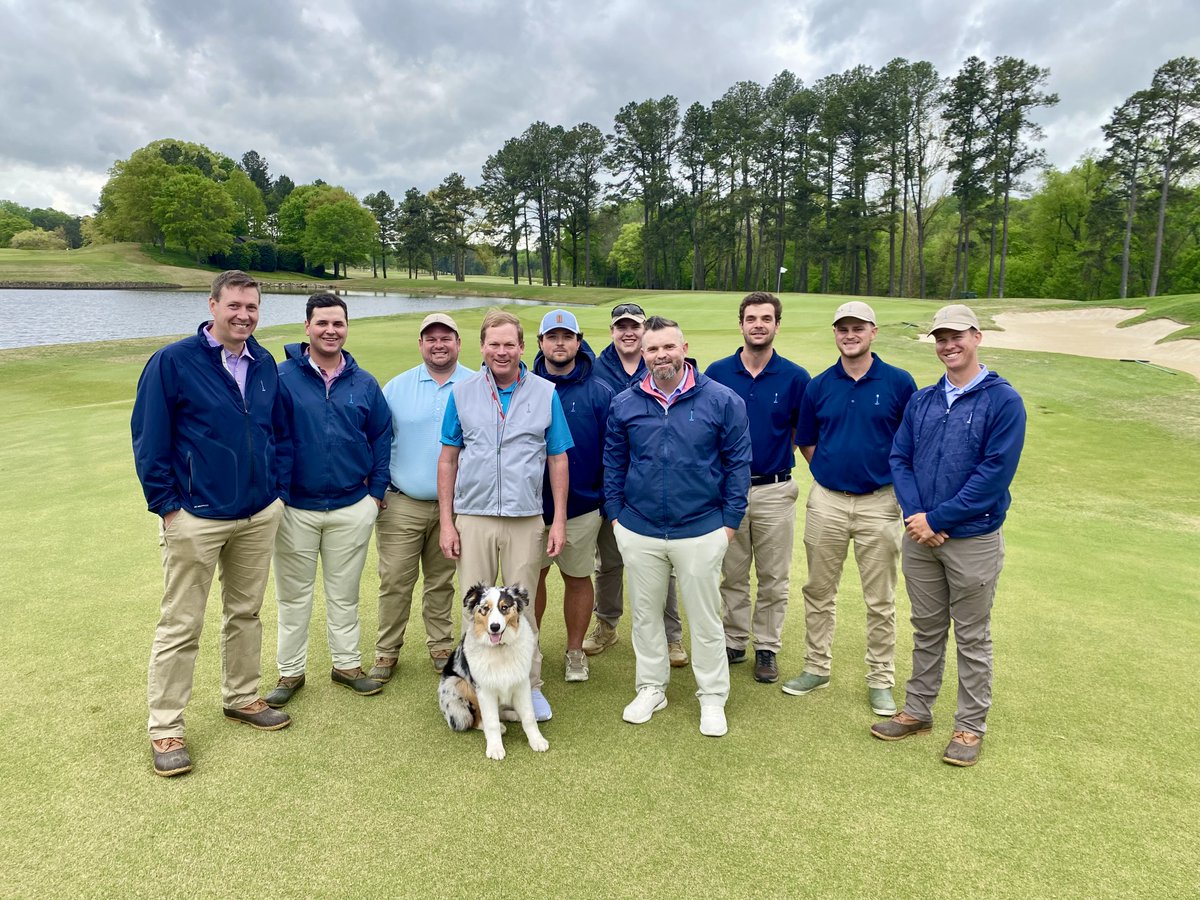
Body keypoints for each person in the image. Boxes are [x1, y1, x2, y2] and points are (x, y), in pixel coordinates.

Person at [132, 270, 291, 778]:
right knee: (182, 624)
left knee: (245, 612)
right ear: (213, 305)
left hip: (256, 512)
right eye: (235, 306)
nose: (244, 315)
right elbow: (149, 439)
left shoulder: (265, 363)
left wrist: (277, 492)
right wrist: (168, 506)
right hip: (195, 518)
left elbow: (279, 433)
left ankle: (242, 697)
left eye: (252, 307)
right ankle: (166, 726)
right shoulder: (173, 362)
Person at [872, 304, 1026, 768]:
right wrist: (918, 514)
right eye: (940, 337)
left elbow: (993, 475)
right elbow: (900, 459)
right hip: (921, 536)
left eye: (957, 335)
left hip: (972, 538)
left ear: (977, 336)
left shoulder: (1003, 401)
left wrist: (937, 518)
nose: (948, 345)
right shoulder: (923, 400)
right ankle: (918, 710)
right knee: (926, 628)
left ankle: (970, 725)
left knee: (973, 636)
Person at [605, 316, 752, 737]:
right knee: (646, 617)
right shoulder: (625, 403)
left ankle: (712, 696)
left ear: (684, 347)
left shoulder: (722, 400)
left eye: (667, 347)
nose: (660, 356)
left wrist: (728, 524)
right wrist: (617, 517)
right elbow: (613, 463)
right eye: (652, 350)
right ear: (643, 354)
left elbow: (738, 465)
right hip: (640, 528)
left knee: (706, 620)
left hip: (701, 528)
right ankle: (652, 687)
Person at [779, 301, 917, 715]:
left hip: (880, 501)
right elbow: (806, 438)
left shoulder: (898, 382)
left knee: (881, 598)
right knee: (819, 590)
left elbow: (910, 443)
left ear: (873, 332)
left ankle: (880, 678)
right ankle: (816, 667)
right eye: (843, 329)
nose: (850, 335)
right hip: (828, 502)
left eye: (858, 328)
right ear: (835, 334)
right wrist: (827, 468)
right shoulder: (819, 384)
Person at [437, 309, 573, 722]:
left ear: (522, 347)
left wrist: (560, 519)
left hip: (525, 516)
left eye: (509, 344)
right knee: (474, 608)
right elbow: (448, 460)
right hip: (473, 515)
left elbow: (558, 460)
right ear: (481, 347)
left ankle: (528, 688)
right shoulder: (462, 392)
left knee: (521, 611)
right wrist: (447, 520)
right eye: (493, 344)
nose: (501, 352)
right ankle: (482, 685)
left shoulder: (545, 392)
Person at [264, 293, 392, 708]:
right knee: (293, 595)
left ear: (346, 327)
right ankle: (290, 672)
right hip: (295, 507)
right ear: (307, 327)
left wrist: (374, 495)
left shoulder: (365, 382)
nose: (330, 330)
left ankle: (347, 665)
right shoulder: (281, 377)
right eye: (322, 323)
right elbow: (266, 437)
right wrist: (277, 496)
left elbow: (381, 438)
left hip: (352, 505)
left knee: (344, 593)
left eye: (338, 323)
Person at [705, 292, 810, 684]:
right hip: (727, 489)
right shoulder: (717, 372)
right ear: (742, 324)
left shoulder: (795, 377)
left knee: (773, 576)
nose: (759, 325)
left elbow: (801, 431)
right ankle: (734, 640)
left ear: (777, 325)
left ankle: (766, 646)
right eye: (752, 318)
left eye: (767, 318)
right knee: (732, 572)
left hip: (774, 489)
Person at [369, 313, 474, 682]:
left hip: (457, 507)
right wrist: (377, 487)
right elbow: (377, 440)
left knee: (441, 581)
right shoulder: (396, 387)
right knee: (395, 579)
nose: (439, 344)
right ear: (421, 344)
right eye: (431, 338)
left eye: (447, 337)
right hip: (402, 502)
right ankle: (386, 651)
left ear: (459, 343)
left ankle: (441, 645)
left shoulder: (475, 384)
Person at [585, 302, 688, 668]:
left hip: (654, 484)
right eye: (621, 327)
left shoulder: (664, 365)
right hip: (608, 483)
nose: (628, 332)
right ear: (612, 331)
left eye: (634, 326)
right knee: (609, 563)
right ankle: (606, 625)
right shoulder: (594, 368)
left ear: (645, 333)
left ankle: (671, 636)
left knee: (664, 565)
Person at [532, 310, 615, 683]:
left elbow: (613, 453)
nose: (560, 343)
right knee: (531, 579)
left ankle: (575, 650)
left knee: (578, 577)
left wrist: (602, 498)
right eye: (552, 337)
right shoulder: (524, 386)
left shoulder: (600, 392)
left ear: (579, 342)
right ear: (540, 343)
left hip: (582, 506)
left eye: (567, 337)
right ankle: (528, 648)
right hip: (529, 507)